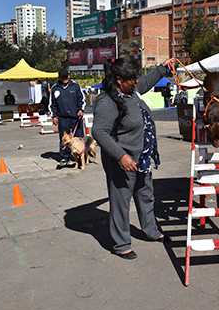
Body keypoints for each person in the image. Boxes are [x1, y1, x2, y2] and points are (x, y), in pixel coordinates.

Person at [92, 57, 176, 259]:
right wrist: (121, 156)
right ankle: (121, 244)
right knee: (121, 202)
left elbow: (147, 80)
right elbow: (99, 132)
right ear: (119, 80)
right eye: (132, 79)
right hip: (122, 162)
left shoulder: (132, 90)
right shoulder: (108, 101)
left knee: (146, 195)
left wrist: (163, 68)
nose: (137, 81)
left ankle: (151, 231)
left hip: (142, 157)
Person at [50, 68, 86, 166]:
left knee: (79, 137)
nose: (65, 79)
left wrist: (80, 110)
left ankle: (81, 156)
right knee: (64, 138)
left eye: (66, 76)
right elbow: (52, 104)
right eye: (63, 77)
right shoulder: (55, 88)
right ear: (59, 78)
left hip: (75, 117)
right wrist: (54, 116)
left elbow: (81, 99)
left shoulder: (75, 86)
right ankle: (65, 157)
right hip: (63, 117)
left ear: (69, 76)